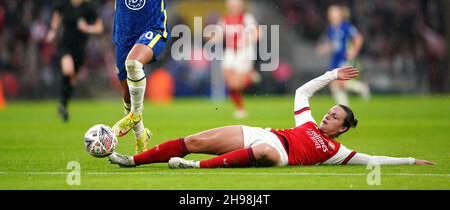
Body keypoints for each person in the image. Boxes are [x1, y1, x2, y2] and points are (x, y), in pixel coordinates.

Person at [44, 0, 233, 153]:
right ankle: (141, 135)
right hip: (123, 34)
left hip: (153, 29)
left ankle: (135, 115)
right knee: (126, 93)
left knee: (133, 63)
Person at [108, 66, 434, 168]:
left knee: (266, 153)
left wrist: (409, 161)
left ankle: (193, 168)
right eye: (329, 111)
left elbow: (374, 160)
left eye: (334, 117)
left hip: (280, 154)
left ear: (342, 129)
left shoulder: (337, 153)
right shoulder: (306, 123)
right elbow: (302, 94)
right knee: (194, 140)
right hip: (263, 134)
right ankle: (134, 161)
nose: (326, 116)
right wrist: (332, 74)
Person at [46, 0, 104, 122]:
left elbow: (99, 28)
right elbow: (57, 16)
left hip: (80, 49)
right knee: (68, 70)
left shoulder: (88, 7)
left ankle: (63, 105)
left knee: (72, 80)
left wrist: (87, 28)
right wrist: (53, 30)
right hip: (65, 45)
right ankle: (62, 100)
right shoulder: (64, 5)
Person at [216, 0, 260, 119]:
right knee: (229, 82)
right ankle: (240, 109)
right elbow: (220, 34)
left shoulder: (246, 18)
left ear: (241, 6)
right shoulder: (224, 19)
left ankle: (249, 76)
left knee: (236, 85)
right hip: (230, 52)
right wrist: (213, 37)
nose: (234, 7)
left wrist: (246, 40)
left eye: (236, 5)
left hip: (244, 52)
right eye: (231, 5)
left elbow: (258, 33)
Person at [317, 5, 370, 106]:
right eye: (330, 12)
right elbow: (333, 44)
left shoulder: (346, 26)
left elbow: (358, 38)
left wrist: (354, 51)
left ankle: (361, 88)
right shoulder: (331, 29)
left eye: (334, 12)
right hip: (335, 58)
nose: (331, 14)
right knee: (333, 82)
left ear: (340, 14)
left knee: (339, 81)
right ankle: (344, 107)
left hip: (344, 57)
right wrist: (324, 49)